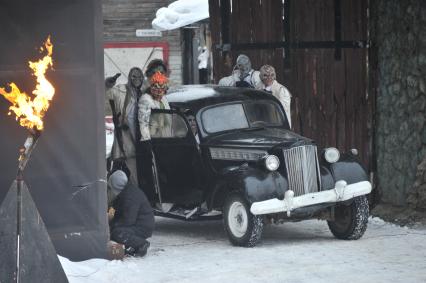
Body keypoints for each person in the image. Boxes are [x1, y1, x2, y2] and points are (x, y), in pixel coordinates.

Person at [105, 67, 144, 185]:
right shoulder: (121, 91)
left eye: (139, 76)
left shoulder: (142, 95)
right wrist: (108, 84)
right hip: (125, 139)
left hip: (139, 140)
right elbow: (107, 93)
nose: (137, 79)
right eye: (134, 76)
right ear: (129, 77)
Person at [137, 71, 171, 200]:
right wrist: (146, 140)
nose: (159, 91)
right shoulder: (145, 100)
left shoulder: (164, 100)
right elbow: (143, 122)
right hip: (153, 139)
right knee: (153, 171)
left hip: (165, 138)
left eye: (162, 89)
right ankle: (155, 198)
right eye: (156, 88)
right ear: (151, 88)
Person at [108, 170, 154, 257]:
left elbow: (128, 220)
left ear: (116, 186)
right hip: (137, 223)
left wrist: (113, 225)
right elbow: (115, 207)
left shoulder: (130, 197)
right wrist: (110, 215)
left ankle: (141, 244)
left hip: (143, 226)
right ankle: (129, 246)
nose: (111, 190)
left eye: (111, 187)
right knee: (114, 231)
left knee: (117, 233)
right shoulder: (125, 191)